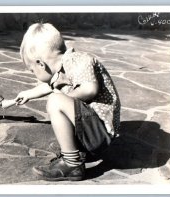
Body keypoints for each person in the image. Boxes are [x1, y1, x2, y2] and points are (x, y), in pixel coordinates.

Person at [15, 23, 121, 181]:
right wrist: (28, 94)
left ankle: (72, 165)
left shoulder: (76, 60)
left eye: (32, 71)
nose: (33, 74)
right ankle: (75, 151)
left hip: (100, 133)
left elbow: (89, 89)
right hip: (93, 130)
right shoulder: (62, 69)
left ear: (40, 64)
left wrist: (63, 96)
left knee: (56, 101)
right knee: (57, 102)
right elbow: (48, 85)